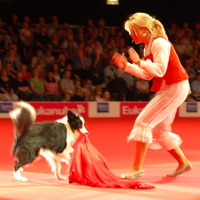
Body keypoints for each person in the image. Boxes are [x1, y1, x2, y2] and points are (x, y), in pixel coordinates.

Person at [112, 12, 192, 178]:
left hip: (175, 87)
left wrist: (138, 62)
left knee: (143, 122)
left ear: (143, 29)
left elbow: (159, 70)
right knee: (160, 131)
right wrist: (127, 66)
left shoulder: (159, 43)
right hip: (171, 87)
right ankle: (183, 162)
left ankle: (137, 168)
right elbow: (148, 74)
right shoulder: (149, 46)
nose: (131, 35)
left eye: (133, 31)